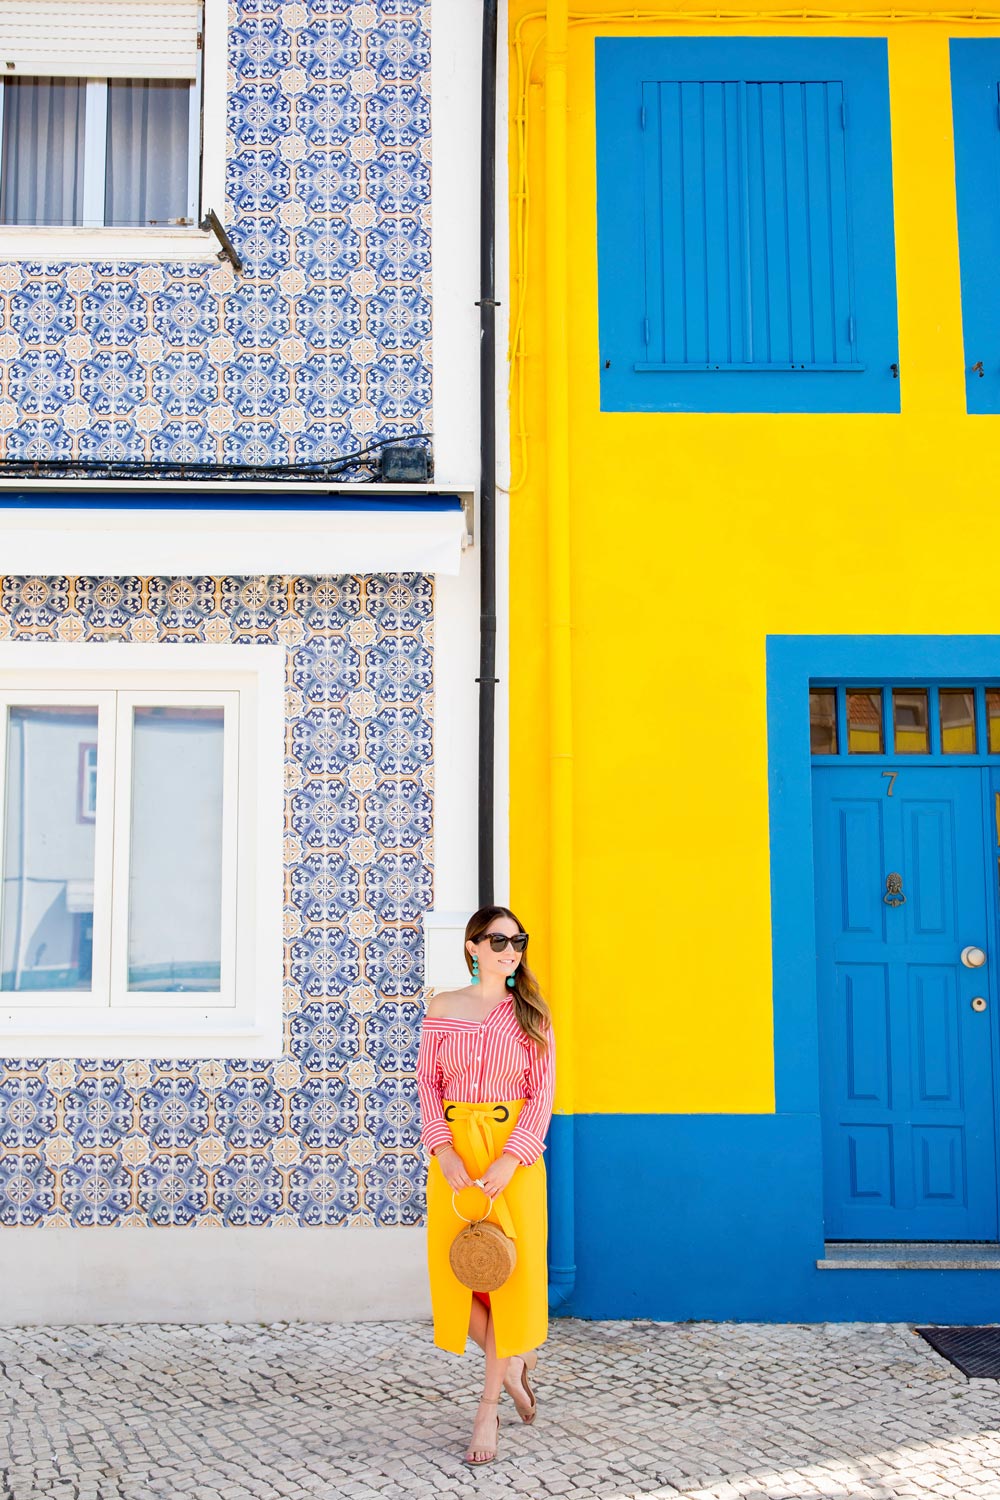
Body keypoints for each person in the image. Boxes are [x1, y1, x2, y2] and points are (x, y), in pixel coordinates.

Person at [416, 904, 555, 1466]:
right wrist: (442, 1149)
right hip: (454, 1153)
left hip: (511, 1157)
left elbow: (542, 1093)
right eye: (498, 940)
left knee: (509, 1278)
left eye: (518, 941)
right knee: (458, 1274)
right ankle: (517, 1363)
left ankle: (487, 1410)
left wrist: (512, 1159)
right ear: (473, 946)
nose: (510, 950)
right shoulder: (443, 1006)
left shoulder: (532, 1014)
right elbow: (427, 1084)